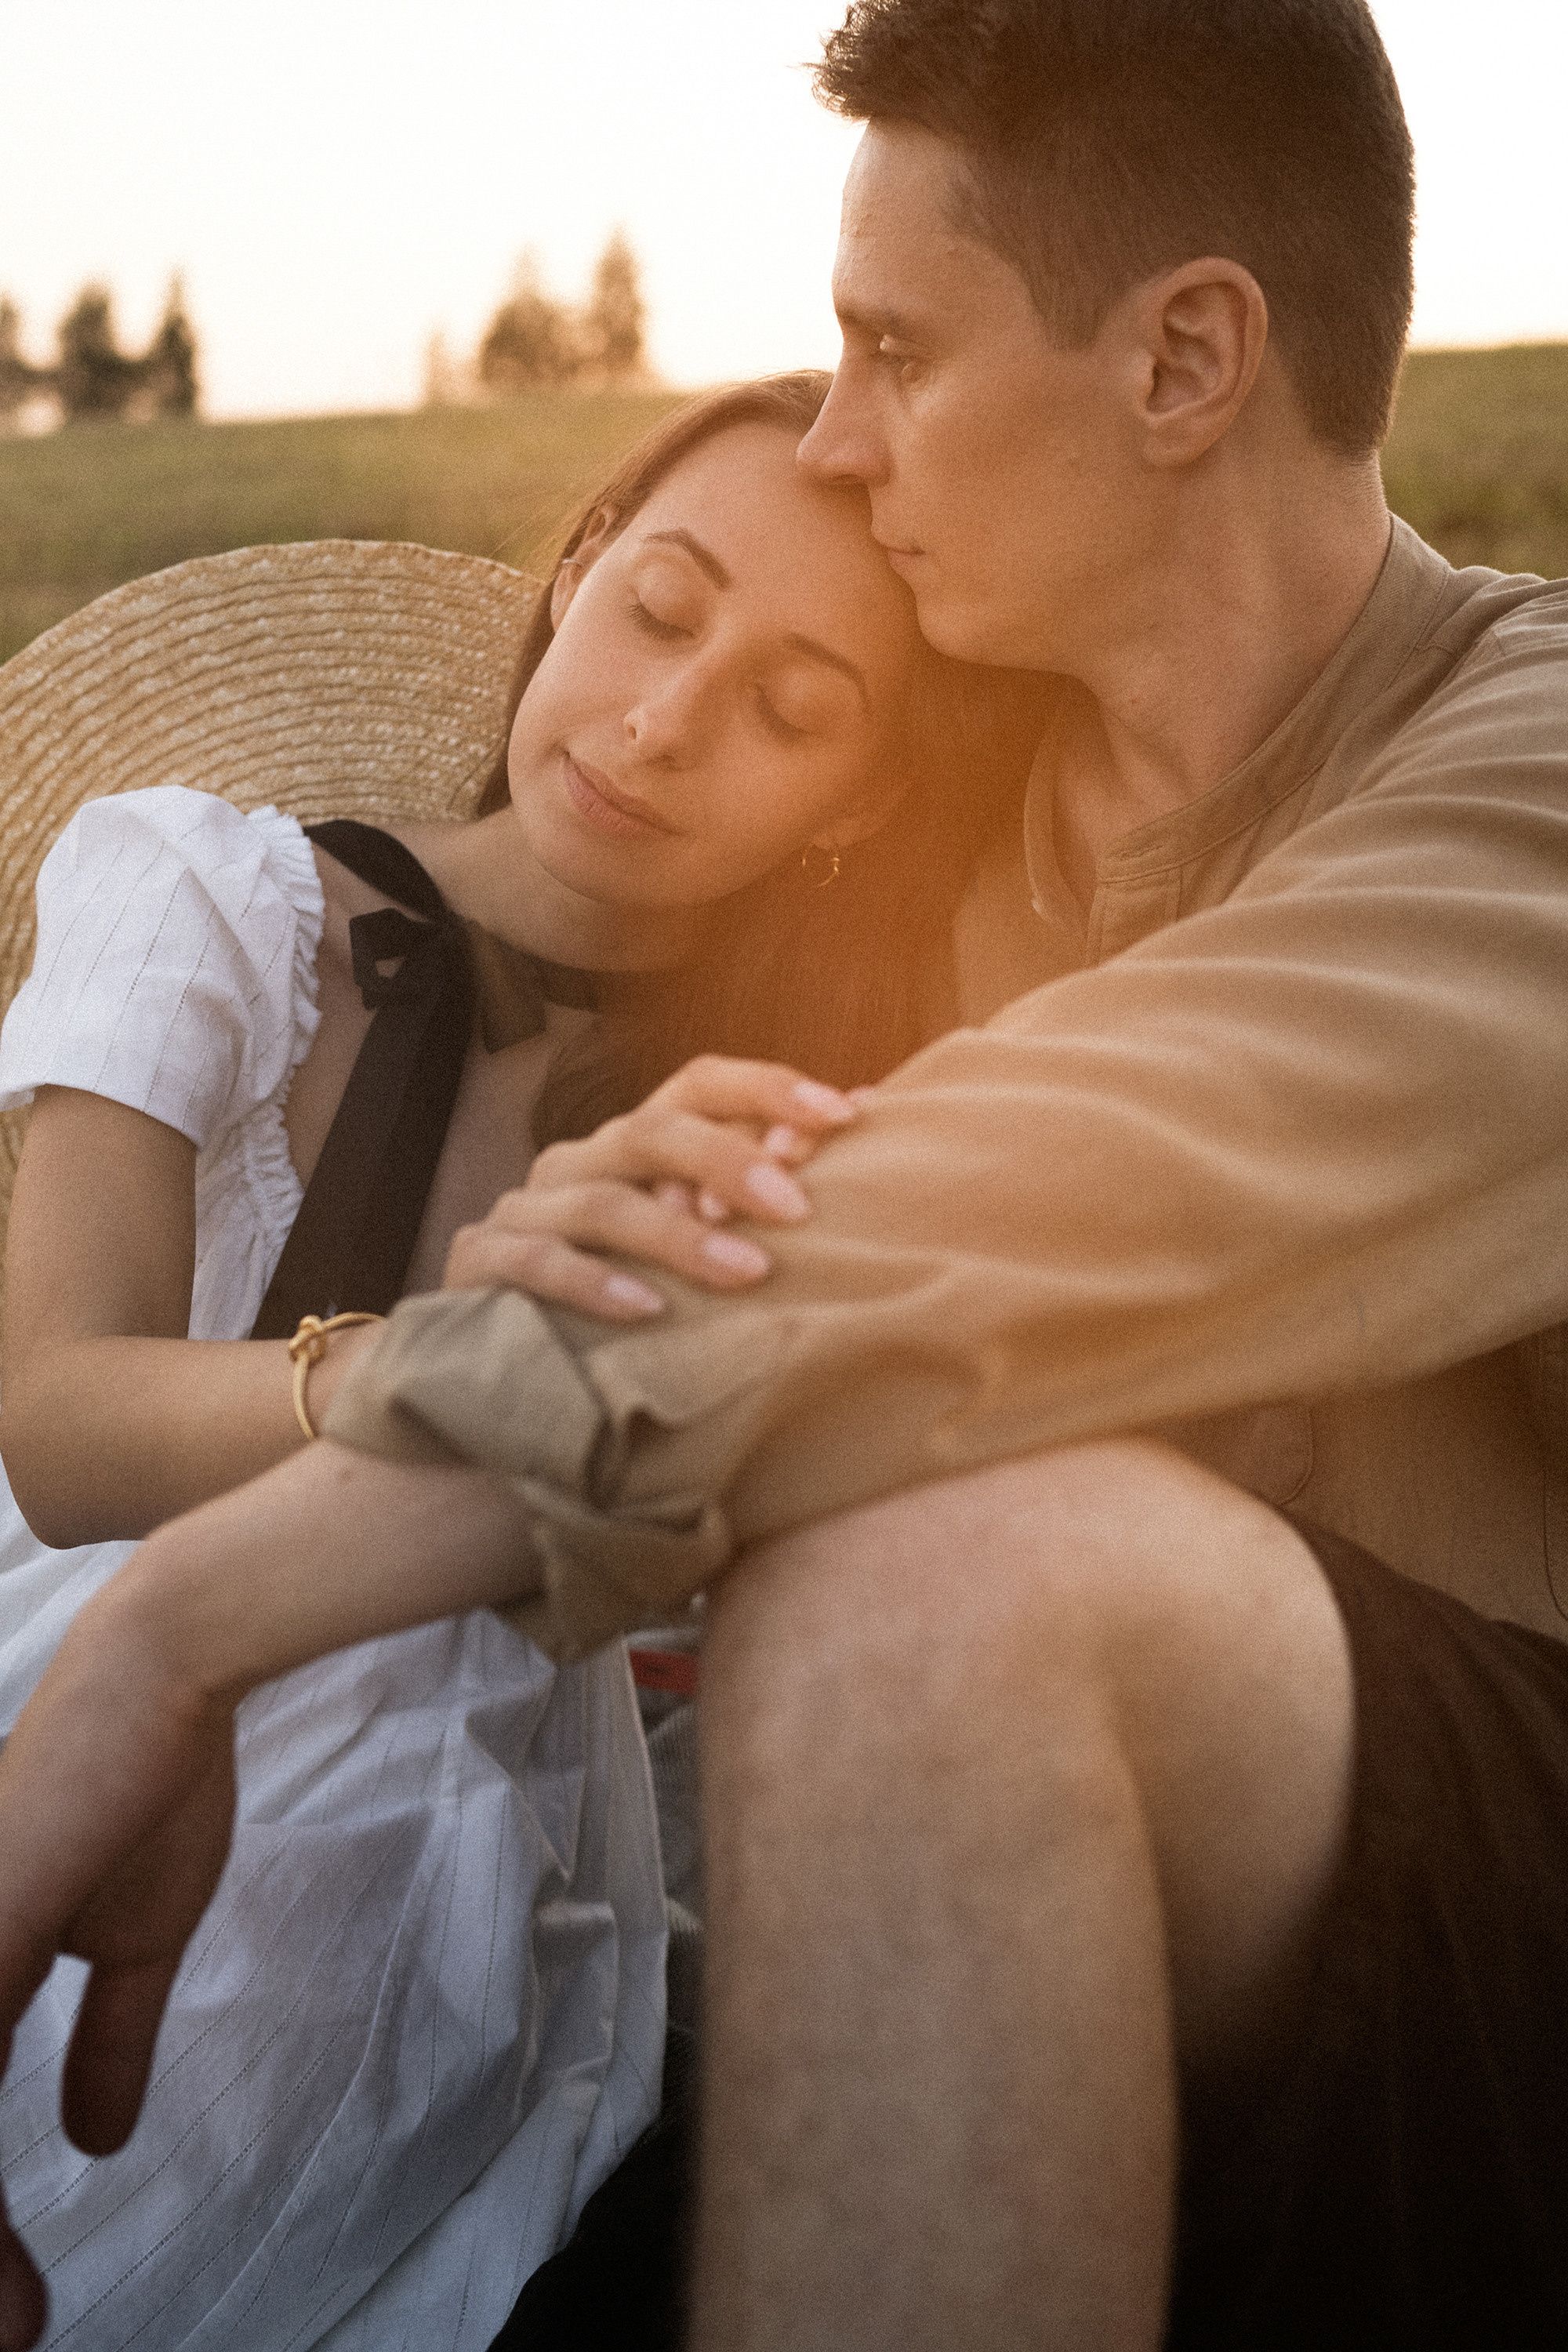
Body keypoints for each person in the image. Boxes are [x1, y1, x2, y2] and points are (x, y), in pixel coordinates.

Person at [2, 0, 1567, 2344]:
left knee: (941, 1581)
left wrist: (186, 1620)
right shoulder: (906, 880)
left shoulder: (1523, 765)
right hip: (970, 1909)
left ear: (1185, 364)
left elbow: (968, 1211)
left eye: (895, 350)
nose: (844, 437)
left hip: (1482, 1953)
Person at [0, 372, 1036, 2352]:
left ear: (868, 798)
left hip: (448, 1854)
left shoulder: (778, 1121)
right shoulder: (211, 888)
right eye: (660, 609)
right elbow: (57, 1423)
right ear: (573, 575)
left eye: (793, 710)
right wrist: (443, 1369)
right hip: (70, 1655)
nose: (664, 723)